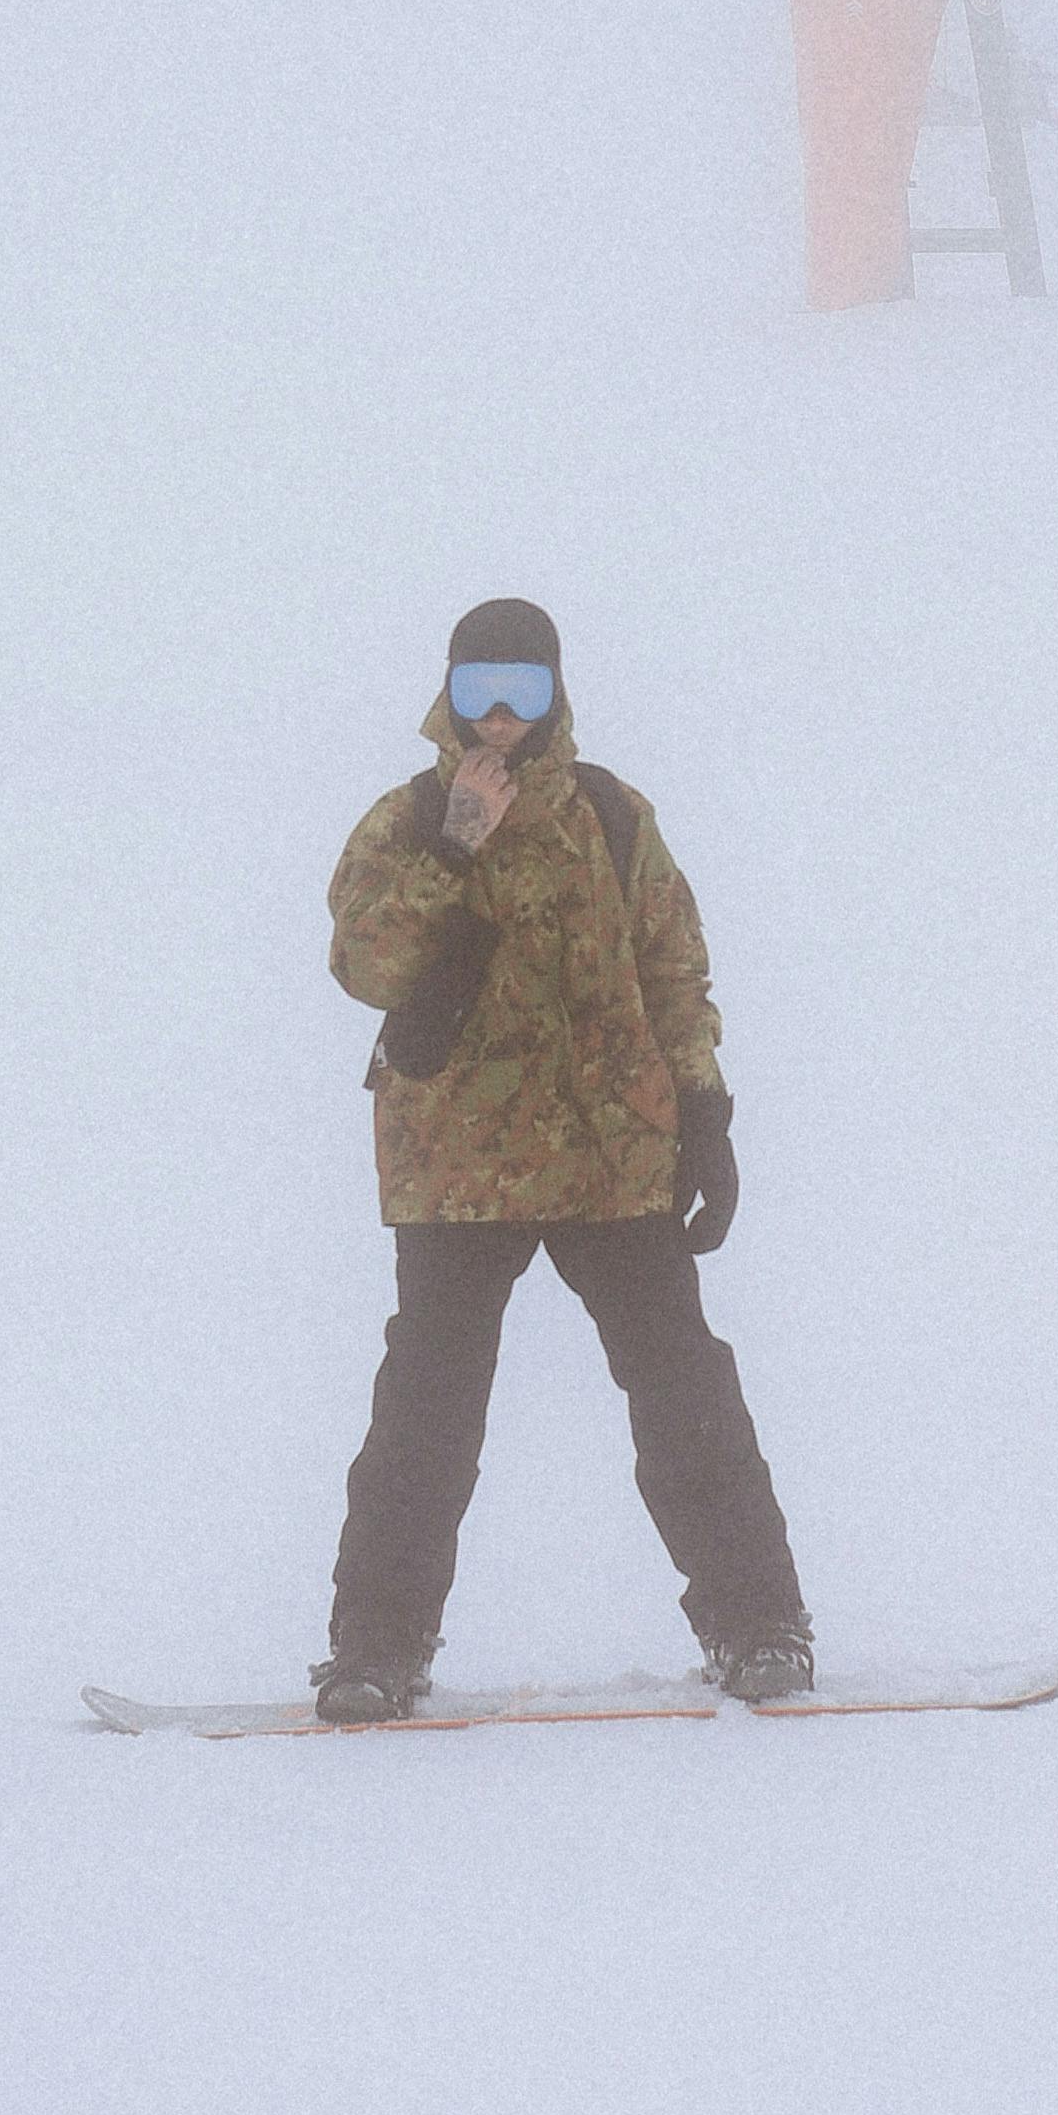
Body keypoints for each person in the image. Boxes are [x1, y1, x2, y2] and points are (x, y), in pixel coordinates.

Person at [312, 597, 813, 1724]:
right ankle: (375, 1649)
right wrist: (454, 846)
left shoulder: (613, 816)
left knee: (684, 1391)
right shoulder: (407, 821)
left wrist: (704, 1112)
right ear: (448, 691)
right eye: (479, 688)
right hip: (456, 1163)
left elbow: (673, 971)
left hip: (611, 1156)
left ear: (556, 694)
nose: (499, 715)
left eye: (524, 689)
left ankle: (760, 1627)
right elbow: (366, 964)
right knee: (426, 1412)